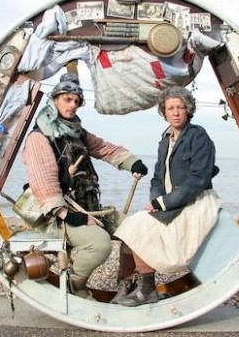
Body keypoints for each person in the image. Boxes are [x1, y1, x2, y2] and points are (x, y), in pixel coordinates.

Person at [22, 72, 148, 299]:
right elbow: (44, 183)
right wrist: (70, 216)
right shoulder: (40, 138)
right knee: (99, 245)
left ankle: (125, 284)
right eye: (67, 100)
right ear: (55, 99)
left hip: (87, 208)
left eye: (76, 101)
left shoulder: (77, 133)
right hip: (60, 216)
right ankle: (75, 285)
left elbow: (104, 149)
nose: (72, 106)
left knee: (138, 231)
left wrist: (131, 162)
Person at [113, 86, 221, 306]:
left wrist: (162, 202)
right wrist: (156, 200)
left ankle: (146, 291)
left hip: (196, 202)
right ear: (164, 111)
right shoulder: (165, 139)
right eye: (170, 108)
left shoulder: (198, 136)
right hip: (171, 203)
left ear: (188, 110)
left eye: (180, 107)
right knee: (131, 228)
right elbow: (157, 179)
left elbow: (199, 180)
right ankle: (133, 287)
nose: (176, 112)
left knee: (136, 226)